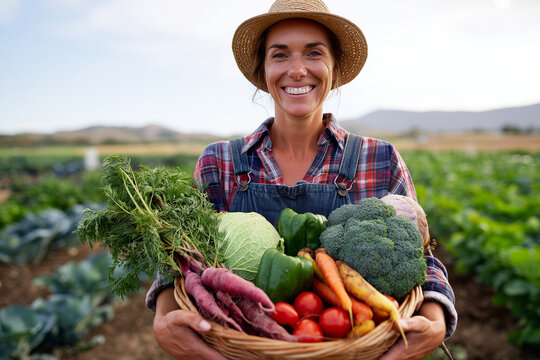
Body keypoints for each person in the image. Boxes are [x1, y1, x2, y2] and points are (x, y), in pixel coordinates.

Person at [147, 0, 457, 359]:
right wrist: (164, 317)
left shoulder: (380, 158)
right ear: (263, 71)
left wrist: (434, 319)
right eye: (280, 55)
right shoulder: (220, 162)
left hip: (353, 344)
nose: (297, 70)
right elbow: (180, 259)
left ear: (334, 67)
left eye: (313, 53)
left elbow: (420, 254)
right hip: (243, 342)